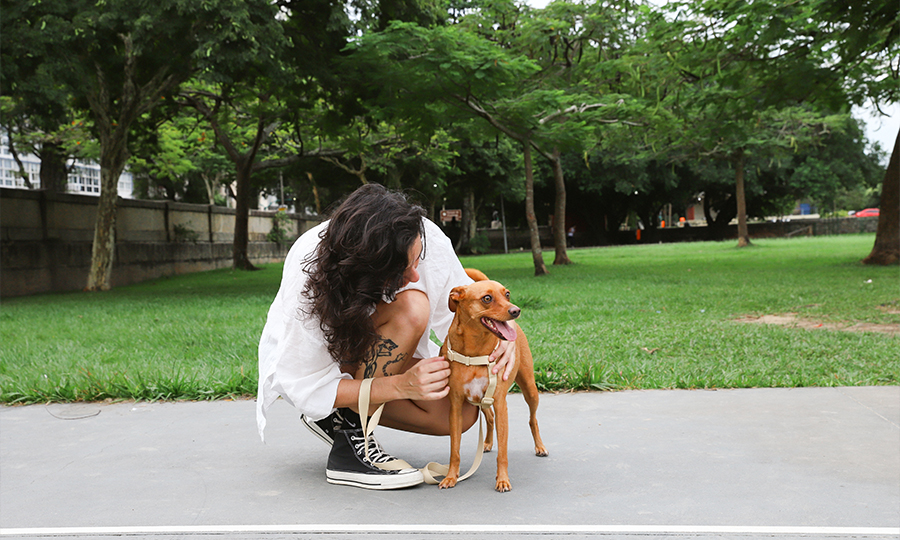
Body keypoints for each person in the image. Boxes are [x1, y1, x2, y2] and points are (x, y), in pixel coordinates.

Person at [257, 184, 516, 490]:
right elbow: (303, 383)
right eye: (400, 270)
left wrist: (505, 339)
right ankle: (350, 442)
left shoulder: (425, 237)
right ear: (363, 268)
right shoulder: (309, 270)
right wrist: (399, 385)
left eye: (417, 259)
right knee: (413, 307)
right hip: (317, 369)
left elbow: (466, 310)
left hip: (377, 353)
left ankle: (339, 415)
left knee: (456, 415)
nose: (415, 275)